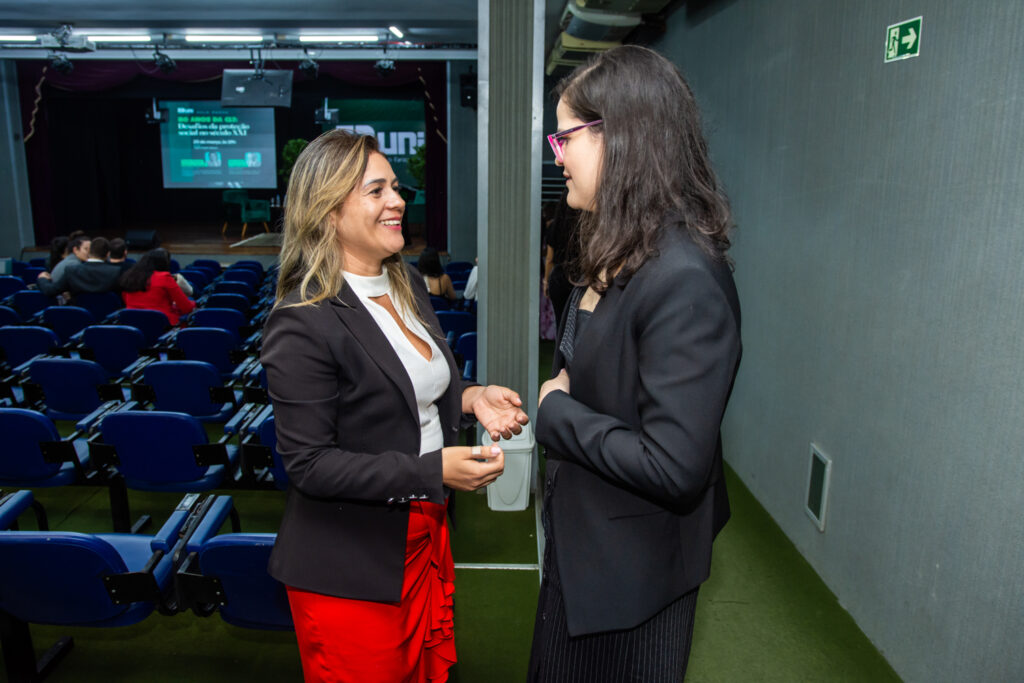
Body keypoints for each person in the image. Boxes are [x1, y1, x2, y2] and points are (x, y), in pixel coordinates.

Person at [260, 129, 529, 683]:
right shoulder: (302, 319)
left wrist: (471, 398)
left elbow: (420, 390)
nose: (398, 201)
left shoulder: (404, 279)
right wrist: (434, 471)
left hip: (423, 533)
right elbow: (310, 465)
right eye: (376, 190)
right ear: (328, 211)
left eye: (396, 188)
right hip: (349, 564)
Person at [529, 46, 742, 682]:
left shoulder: (684, 278)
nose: (556, 154)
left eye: (565, 137)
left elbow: (674, 466)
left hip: (634, 578)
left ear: (621, 139)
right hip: (589, 549)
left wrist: (555, 413)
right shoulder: (619, 246)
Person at [119, 248, 195, 325]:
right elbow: (187, 308)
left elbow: (125, 300)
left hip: (131, 322)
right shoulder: (164, 277)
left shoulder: (130, 276)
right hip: (161, 326)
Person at [40, 236, 123, 298]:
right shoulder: (116, 272)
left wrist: (42, 279)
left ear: (90, 251)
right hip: (109, 317)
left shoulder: (72, 271)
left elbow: (50, 290)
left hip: (80, 317)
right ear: (108, 254)